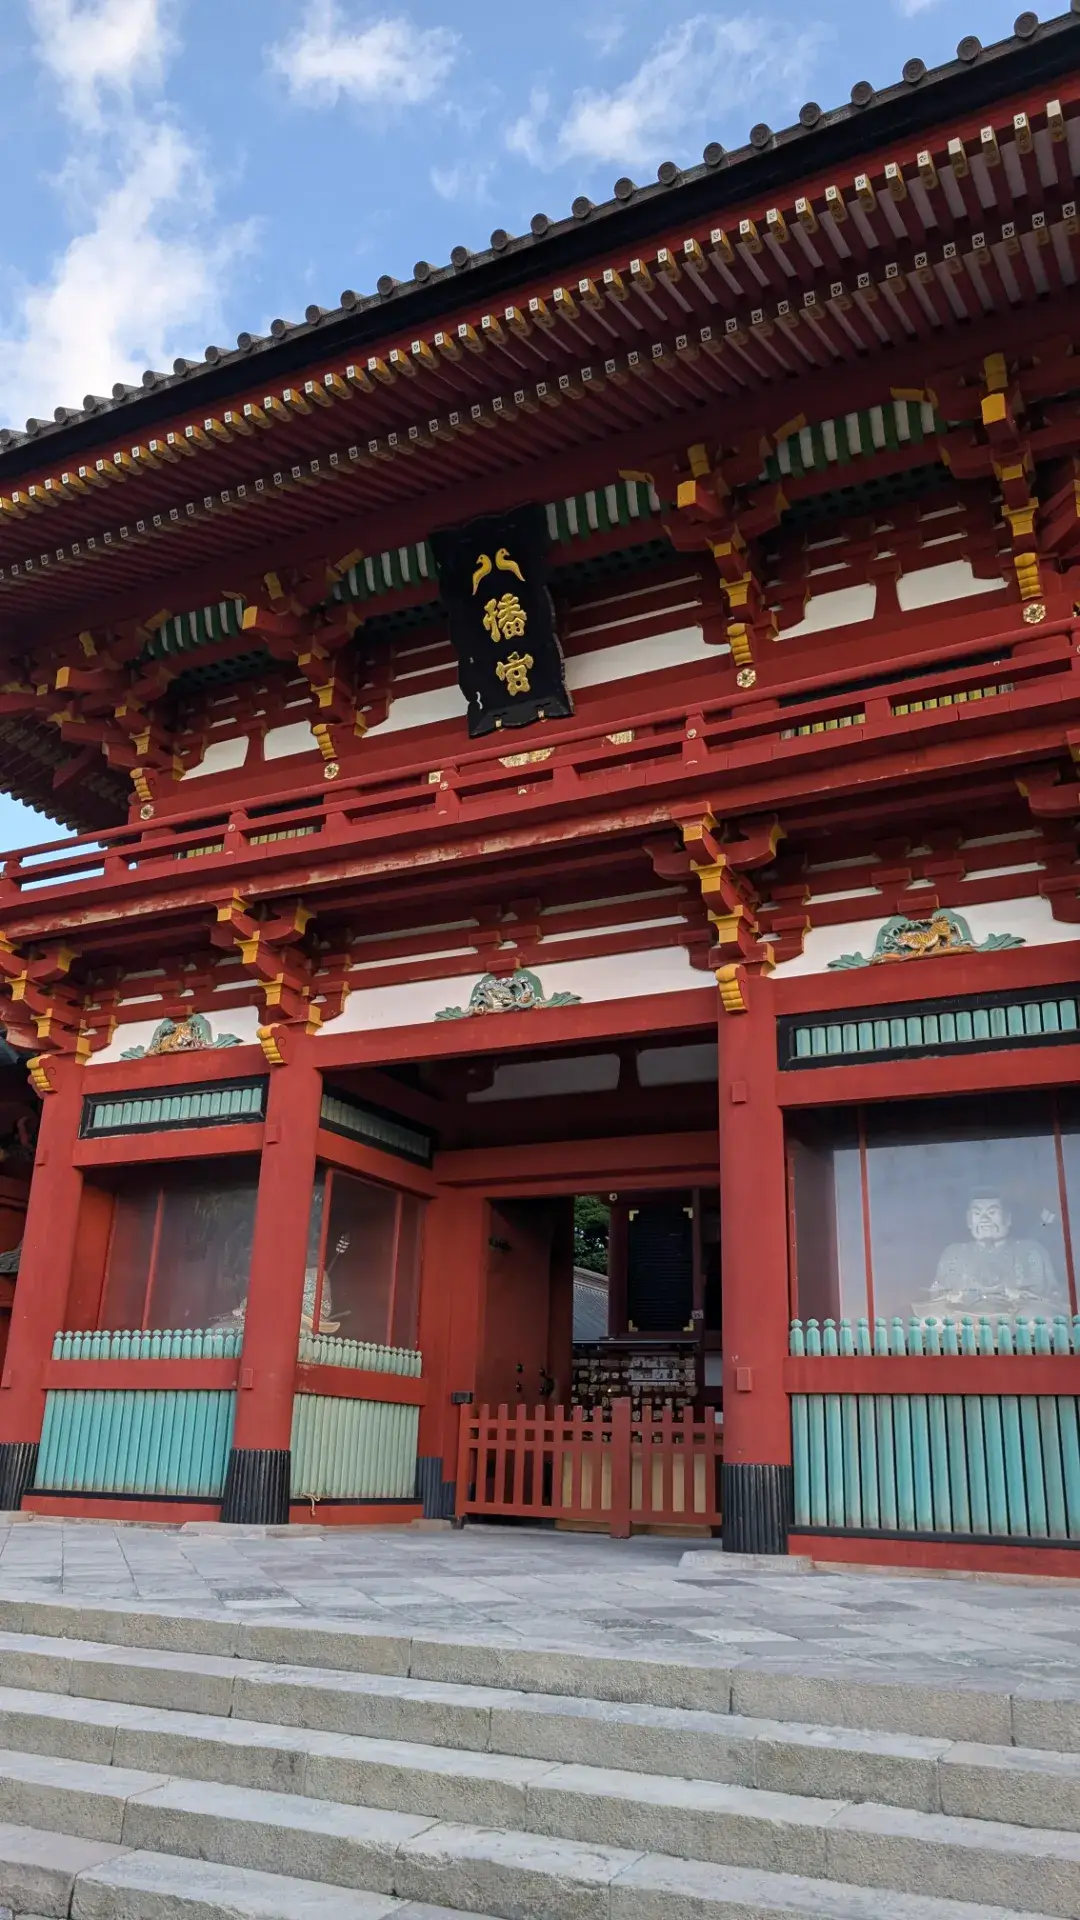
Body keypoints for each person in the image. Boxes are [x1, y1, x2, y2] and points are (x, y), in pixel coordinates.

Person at [921, 1193, 1068, 1316]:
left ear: (1007, 1218)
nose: (985, 1219)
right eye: (977, 1213)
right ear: (968, 1221)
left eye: (992, 1212)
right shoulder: (954, 1254)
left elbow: (1054, 1300)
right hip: (966, 1327)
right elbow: (935, 1298)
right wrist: (954, 1297)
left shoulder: (1031, 1251)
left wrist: (1021, 1297)